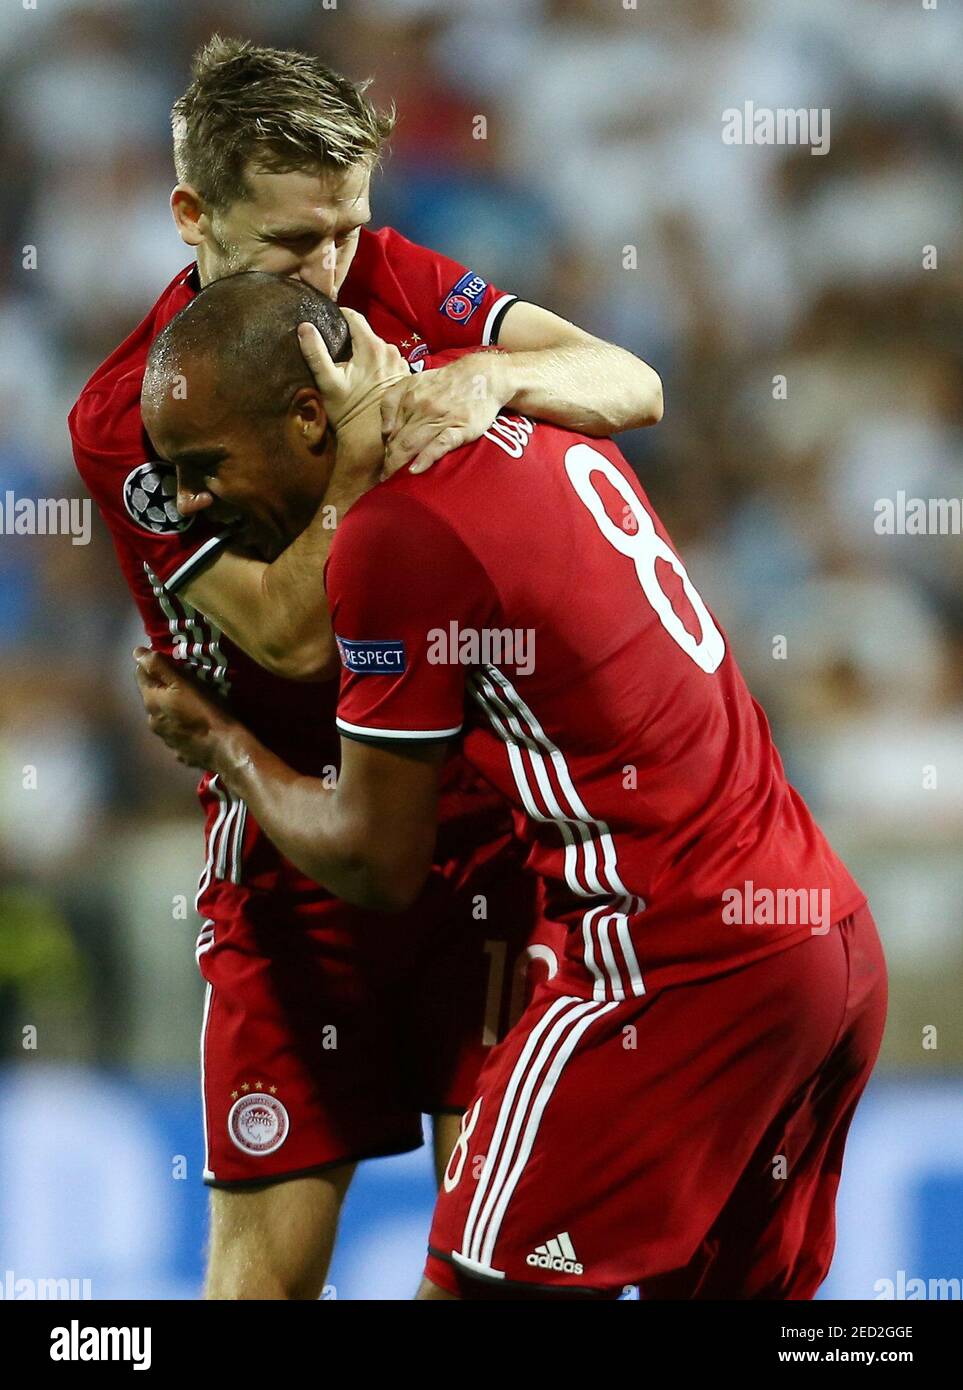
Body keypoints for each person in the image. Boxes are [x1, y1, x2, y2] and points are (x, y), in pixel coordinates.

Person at [136, 272, 887, 1301]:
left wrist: (222, 744)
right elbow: (631, 381)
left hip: (663, 967)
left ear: (309, 410)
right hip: (825, 945)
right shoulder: (520, 402)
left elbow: (375, 859)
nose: (185, 507)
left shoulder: (393, 536)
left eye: (203, 468)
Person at [68, 36, 662, 1300]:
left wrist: (494, 370)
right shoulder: (134, 411)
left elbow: (627, 378)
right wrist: (373, 448)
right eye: (291, 245)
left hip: (480, 851)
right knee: (261, 1283)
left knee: (491, 1264)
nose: (330, 273)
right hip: (297, 862)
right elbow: (288, 633)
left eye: (346, 229)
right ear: (194, 217)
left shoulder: (389, 276)